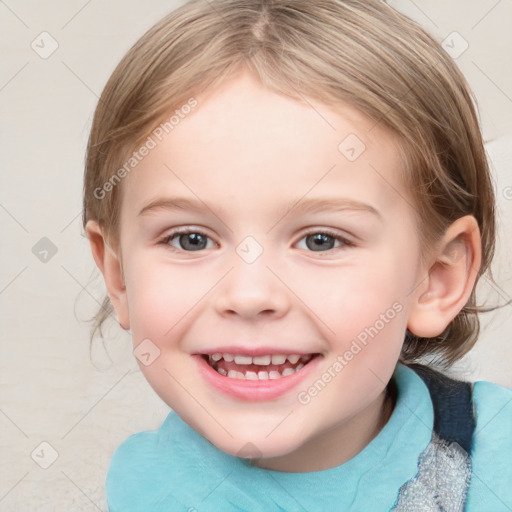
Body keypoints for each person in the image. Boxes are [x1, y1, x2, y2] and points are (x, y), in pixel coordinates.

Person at [82, 0, 511, 510]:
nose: (248, 294)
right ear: (119, 276)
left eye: (321, 240)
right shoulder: (143, 494)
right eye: (190, 239)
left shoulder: (492, 458)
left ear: (436, 279)